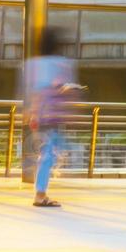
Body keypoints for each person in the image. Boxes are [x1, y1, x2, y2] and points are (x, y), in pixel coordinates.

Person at [24, 28, 83, 208]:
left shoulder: (33, 64)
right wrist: (71, 111)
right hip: (54, 115)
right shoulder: (61, 63)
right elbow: (67, 88)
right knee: (49, 153)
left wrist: (31, 112)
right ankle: (40, 194)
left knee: (49, 152)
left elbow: (31, 90)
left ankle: (41, 190)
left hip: (41, 114)